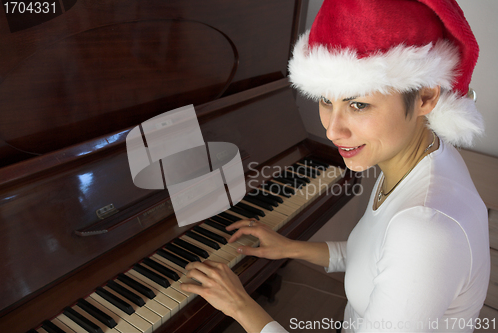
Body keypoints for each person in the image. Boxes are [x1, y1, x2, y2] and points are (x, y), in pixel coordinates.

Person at [180, 0, 491, 332]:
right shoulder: (424, 156)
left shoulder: (424, 231)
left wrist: (240, 306)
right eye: (326, 100)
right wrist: (290, 247)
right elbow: (373, 257)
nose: (332, 130)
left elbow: (403, 249)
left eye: (357, 104)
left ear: (426, 98)